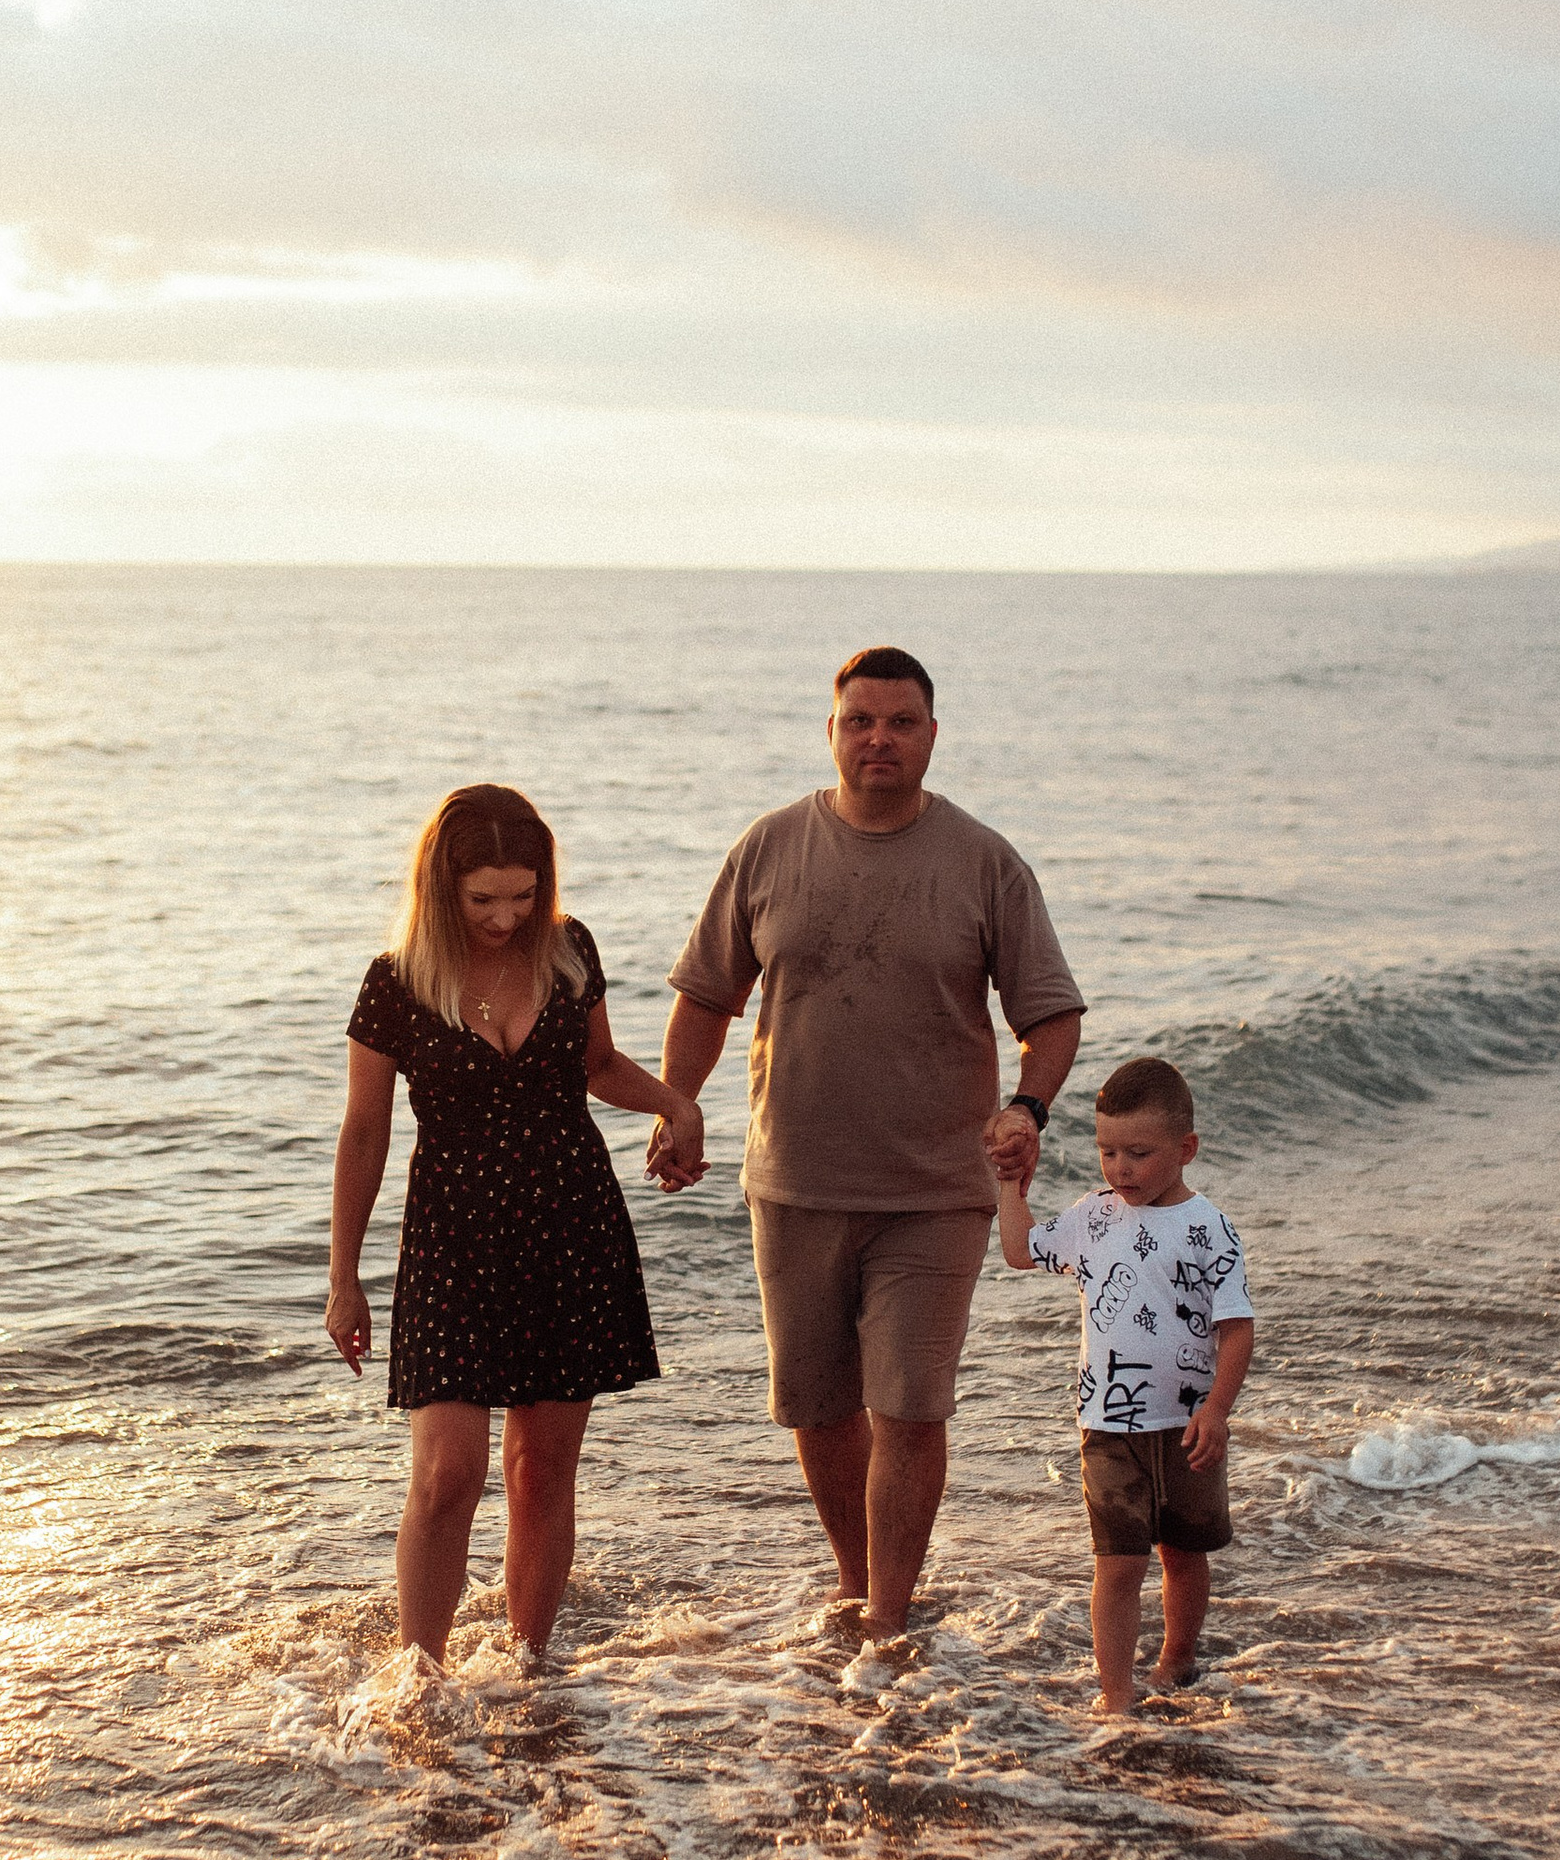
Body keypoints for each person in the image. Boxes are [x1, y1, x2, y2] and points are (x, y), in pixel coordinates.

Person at [652, 648, 1085, 1638]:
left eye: (899, 721)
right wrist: (678, 1103)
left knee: (910, 1407)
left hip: (936, 1187)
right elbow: (707, 995)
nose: (878, 738)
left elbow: (1049, 1013)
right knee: (816, 1406)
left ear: (932, 734)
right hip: (795, 1180)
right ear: (832, 731)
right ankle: (859, 1586)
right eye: (860, 721)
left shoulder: (983, 862)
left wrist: (1028, 1104)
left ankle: (887, 1621)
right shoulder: (769, 848)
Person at [326, 784, 702, 1669]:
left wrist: (674, 1104)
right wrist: (344, 1276)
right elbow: (365, 1130)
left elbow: (598, 1064)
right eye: (484, 898)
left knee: (541, 1472)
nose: (507, 916)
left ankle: (528, 1667)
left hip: (571, 1229)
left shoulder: (569, 952)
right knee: (447, 1473)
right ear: (441, 887)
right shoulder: (397, 980)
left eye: (525, 894)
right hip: (453, 1242)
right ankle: (419, 1677)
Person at [995, 1053, 1255, 1717]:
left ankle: (1178, 1655)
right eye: (1108, 1151)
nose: (1120, 1168)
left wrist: (1218, 1411)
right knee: (1117, 1561)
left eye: (1138, 1153)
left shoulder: (1209, 1228)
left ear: (1185, 1148)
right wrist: (1011, 1188)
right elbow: (1021, 1250)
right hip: (1108, 1423)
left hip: (1188, 1424)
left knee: (1183, 1551)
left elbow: (1236, 1329)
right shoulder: (1093, 1217)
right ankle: (1115, 1696)